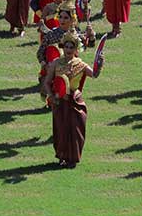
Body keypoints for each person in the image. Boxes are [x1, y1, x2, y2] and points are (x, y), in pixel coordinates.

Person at [40, 26, 102, 168]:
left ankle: (73, 159)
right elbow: (47, 82)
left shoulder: (81, 65)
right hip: (60, 101)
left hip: (75, 101)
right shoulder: (56, 63)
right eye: (66, 46)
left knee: (76, 130)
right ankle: (61, 156)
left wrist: (100, 63)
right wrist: (52, 96)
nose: (68, 49)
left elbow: (95, 74)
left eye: (71, 47)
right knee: (60, 130)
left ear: (76, 49)